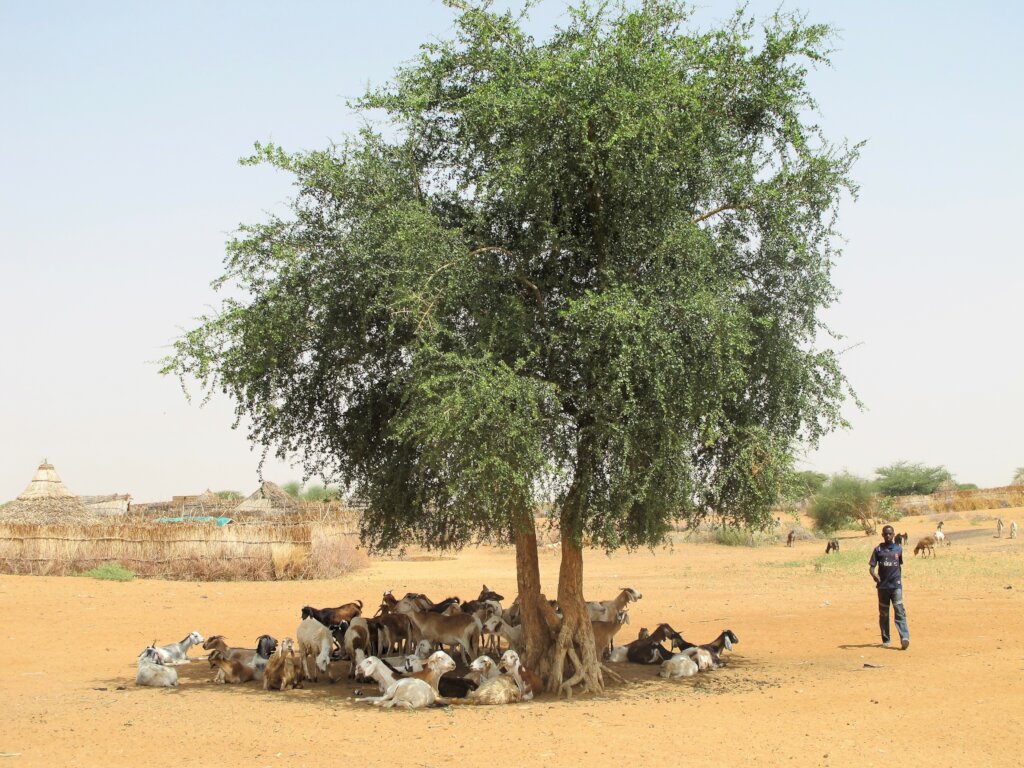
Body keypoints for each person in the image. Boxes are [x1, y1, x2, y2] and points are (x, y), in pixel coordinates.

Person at [868, 524, 910, 650]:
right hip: (883, 587)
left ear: (893, 535)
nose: (887, 535)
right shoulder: (878, 550)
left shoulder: (898, 549)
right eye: (885, 534)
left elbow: (899, 566)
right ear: (882, 535)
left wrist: (899, 581)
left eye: (890, 533)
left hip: (896, 586)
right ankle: (886, 639)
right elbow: (871, 567)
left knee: (899, 611)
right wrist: (874, 575)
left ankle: (904, 638)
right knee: (884, 614)